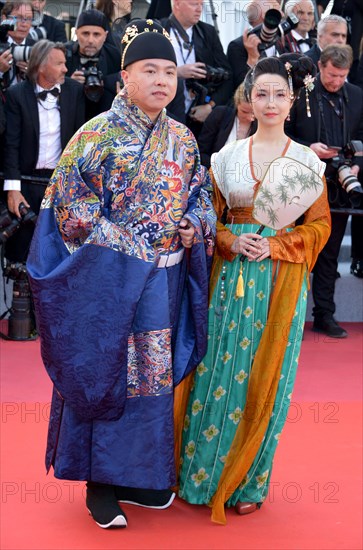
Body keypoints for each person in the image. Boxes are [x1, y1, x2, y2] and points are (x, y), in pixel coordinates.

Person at [26, 19, 215, 529]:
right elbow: (71, 211)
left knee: (150, 380)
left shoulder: (183, 138)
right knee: (104, 371)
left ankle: (137, 473)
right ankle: (99, 483)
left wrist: (194, 226)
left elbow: (201, 198)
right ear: (124, 77)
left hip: (164, 282)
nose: (162, 80)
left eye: (170, 72)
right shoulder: (96, 135)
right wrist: (137, 247)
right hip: (108, 284)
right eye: (149, 70)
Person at [177, 53, 331, 525]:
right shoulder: (224, 159)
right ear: (247, 98)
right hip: (228, 280)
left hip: (280, 284)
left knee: (267, 377)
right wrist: (227, 238)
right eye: (260, 93)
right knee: (215, 373)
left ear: (292, 101)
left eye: (278, 95)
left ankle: (250, 479)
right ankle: (198, 475)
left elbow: (320, 226)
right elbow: (210, 221)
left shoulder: (307, 162)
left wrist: (280, 245)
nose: (269, 102)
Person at [286, 44, 363, 337]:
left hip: (339, 186)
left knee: (330, 254)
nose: (337, 81)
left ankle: (324, 315)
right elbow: (283, 133)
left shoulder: (356, 95)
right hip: (301, 181)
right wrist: (309, 149)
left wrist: (355, 164)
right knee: (298, 251)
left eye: (342, 76)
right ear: (320, 66)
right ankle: (290, 317)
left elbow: (361, 135)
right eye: (332, 75)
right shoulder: (299, 92)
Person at [3, 39, 85, 263]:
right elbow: (11, 144)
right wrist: (12, 189)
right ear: (41, 66)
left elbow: (79, 143)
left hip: (60, 186)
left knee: (59, 254)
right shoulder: (17, 94)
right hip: (27, 186)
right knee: (21, 254)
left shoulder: (74, 91)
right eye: (59, 64)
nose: (66, 69)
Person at [161, 0, 233, 136]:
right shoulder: (159, 29)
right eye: (194, 4)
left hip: (197, 116)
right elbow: (145, 71)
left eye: (201, 5)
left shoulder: (207, 32)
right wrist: (177, 72)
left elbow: (228, 76)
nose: (199, 9)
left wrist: (210, 106)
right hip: (162, 111)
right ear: (177, 4)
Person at [65, 9, 121, 120]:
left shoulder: (115, 56)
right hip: (70, 116)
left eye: (96, 34)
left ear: (105, 36)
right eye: (85, 34)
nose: (90, 40)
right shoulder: (64, 54)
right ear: (76, 33)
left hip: (104, 118)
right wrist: (68, 84)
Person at [198, 82, 254, 169]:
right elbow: (201, 152)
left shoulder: (264, 126)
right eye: (244, 112)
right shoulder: (220, 115)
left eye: (254, 113)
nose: (250, 118)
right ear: (236, 103)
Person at [0, 1, 35, 91]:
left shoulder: (37, 48)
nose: (24, 24)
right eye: (18, 18)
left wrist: (34, 74)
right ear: (4, 18)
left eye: (29, 19)